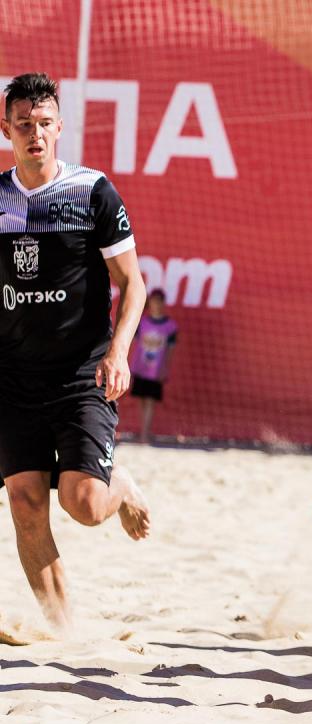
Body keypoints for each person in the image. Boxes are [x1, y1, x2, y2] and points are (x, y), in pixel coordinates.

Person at [0, 73, 151, 633]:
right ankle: (62, 631)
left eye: (44, 123)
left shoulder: (92, 192)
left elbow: (133, 284)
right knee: (24, 501)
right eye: (23, 124)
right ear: (7, 129)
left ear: (60, 127)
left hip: (81, 373)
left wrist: (119, 353)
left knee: (84, 505)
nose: (34, 134)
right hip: (13, 377)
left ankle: (119, 484)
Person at [129, 288, 178, 444]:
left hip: (155, 371)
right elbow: (135, 345)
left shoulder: (170, 326)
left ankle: (144, 434)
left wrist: (164, 368)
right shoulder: (142, 322)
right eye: (153, 301)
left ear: (163, 303)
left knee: (150, 401)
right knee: (142, 400)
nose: (156, 304)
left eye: (159, 301)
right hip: (140, 368)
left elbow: (170, 350)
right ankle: (144, 431)